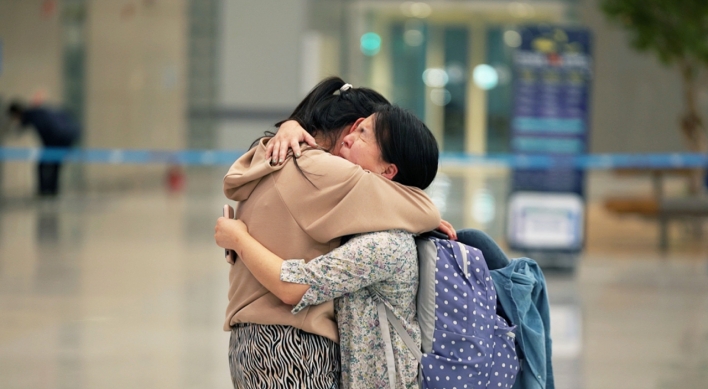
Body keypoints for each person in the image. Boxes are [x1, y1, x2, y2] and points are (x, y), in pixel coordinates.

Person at [216, 77, 443, 389]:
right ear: (350, 125)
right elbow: (426, 209)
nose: (354, 139)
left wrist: (293, 124)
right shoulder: (330, 173)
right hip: (294, 346)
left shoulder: (272, 156)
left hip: (248, 344)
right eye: (359, 129)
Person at [7, 101, 81, 196]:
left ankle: (45, 191)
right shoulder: (35, 114)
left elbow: (49, 130)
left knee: (46, 165)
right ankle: (51, 191)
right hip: (65, 137)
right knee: (54, 165)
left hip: (59, 139)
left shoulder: (33, 116)